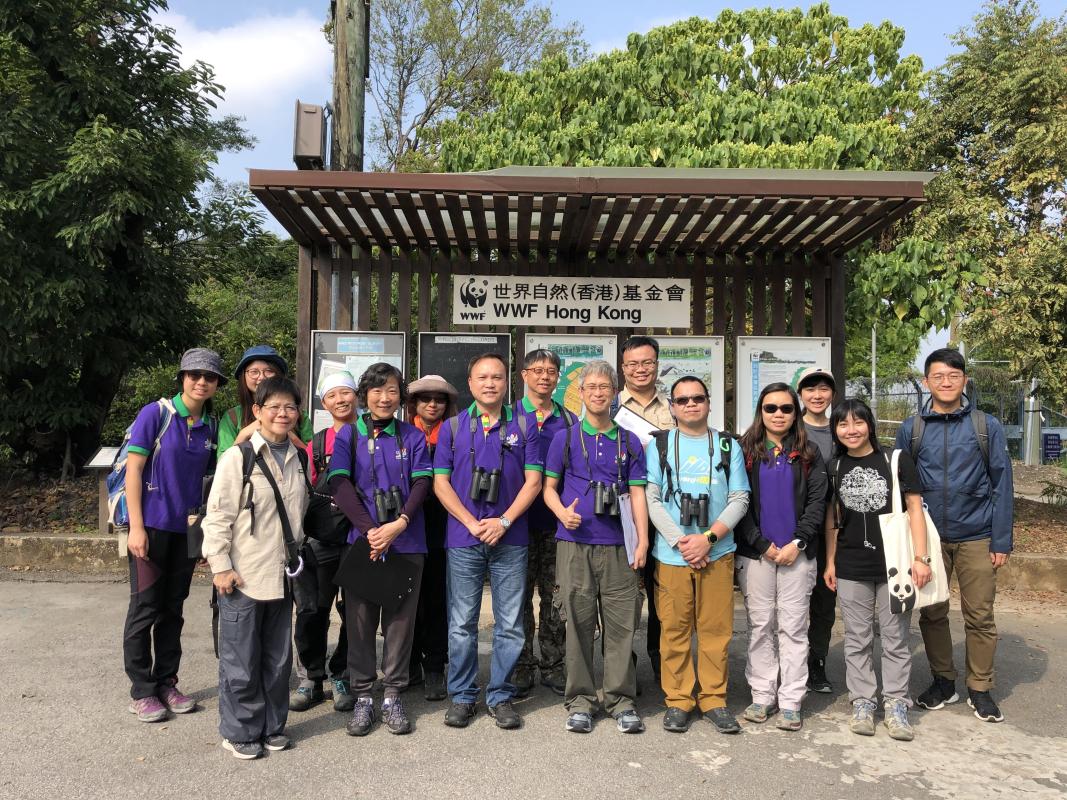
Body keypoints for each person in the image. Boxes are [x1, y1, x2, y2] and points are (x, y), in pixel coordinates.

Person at [895, 348, 1014, 723]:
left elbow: (1002, 484)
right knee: (931, 613)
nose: (945, 382)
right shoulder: (912, 428)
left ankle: (980, 687)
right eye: (938, 376)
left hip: (977, 534)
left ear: (964, 380)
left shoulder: (985, 426)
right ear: (927, 381)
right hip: (927, 536)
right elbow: (901, 487)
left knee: (980, 615)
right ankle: (943, 681)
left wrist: (1000, 539)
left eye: (953, 376)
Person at [433, 352, 543, 730]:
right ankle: (463, 696)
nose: (490, 383)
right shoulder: (452, 428)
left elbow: (534, 482)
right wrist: (471, 521)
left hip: (511, 538)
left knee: (509, 623)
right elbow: (441, 483)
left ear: (507, 381)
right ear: (470, 383)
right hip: (464, 538)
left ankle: (500, 695)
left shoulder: (526, 427)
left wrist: (504, 520)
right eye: (483, 377)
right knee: (461, 622)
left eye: (497, 377)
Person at [202, 376, 310, 759]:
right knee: (241, 661)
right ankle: (239, 731)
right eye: (274, 407)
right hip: (243, 576)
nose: (283, 413)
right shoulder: (239, 457)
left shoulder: (300, 457)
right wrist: (220, 566)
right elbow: (217, 517)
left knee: (278, 661)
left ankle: (271, 726)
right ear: (257, 412)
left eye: (290, 407)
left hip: (283, 576)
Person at [543, 361, 649, 734]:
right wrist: (561, 513)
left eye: (605, 386)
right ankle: (581, 701)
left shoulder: (628, 440)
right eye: (591, 387)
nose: (599, 392)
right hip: (575, 544)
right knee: (579, 625)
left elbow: (637, 493)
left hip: (619, 546)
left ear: (613, 392)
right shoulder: (566, 439)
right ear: (581, 393)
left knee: (621, 626)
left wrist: (643, 539)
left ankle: (621, 699)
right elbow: (547, 489)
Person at [327, 363, 433, 736]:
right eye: (376, 391)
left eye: (391, 390)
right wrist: (371, 530)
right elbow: (338, 483)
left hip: (407, 541)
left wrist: (400, 523)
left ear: (400, 396)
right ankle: (362, 697)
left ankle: (392, 694)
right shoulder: (349, 436)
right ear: (364, 396)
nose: (384, 397)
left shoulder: (413, 436)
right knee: (359, 622)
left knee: (401, 623)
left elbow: (422, 483)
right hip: (364, 543)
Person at [123, 348, 224, 723]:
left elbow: (206, 486)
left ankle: (166, 680)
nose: (201, 382)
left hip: (187, 532)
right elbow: (134, 470)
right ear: (182, 377)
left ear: (216, 385)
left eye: (209, 377)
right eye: (194, 375)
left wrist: (202, 538)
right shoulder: (157, 414)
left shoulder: (211, 427)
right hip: (149, 528)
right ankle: (141, 690)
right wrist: (135, 527)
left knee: (173, 610)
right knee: (145, 608)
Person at [644, 376, 749, 735]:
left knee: (715, 630)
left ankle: (714, 699)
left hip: (717, 552)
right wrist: (680, 542)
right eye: (683, 400)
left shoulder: (726, 446)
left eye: (698, 398)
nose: (691, 405)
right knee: (673, 629)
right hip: (673, 555)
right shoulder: (659, 446)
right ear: (671, 407)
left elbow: (740, 499)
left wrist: (707, 538)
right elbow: (652, 500)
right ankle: (678, 700)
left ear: (708, 403)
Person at [825, 399, 931, 741]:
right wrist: (830, 561)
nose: (851, 430)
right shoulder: (834, 465)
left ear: (869, 424)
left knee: (896, 637)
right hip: (851, 563)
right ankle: (863, 702)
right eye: (843, 424)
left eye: (857, 422)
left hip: (896, 565)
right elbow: (833, 519)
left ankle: (897, 703)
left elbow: (915, 508)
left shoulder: (895, 459)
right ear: (836, 430)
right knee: (857, 638)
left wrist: (921, 558)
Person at [736, 383, 828, 731]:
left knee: (793, 628)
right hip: (756, 554)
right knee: (760, 626)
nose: (778, 414)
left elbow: (818, 503)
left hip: (797, 555)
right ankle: (762, 695)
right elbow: (738, 501)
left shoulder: (809, 452)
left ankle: (791, 700)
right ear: (760, 411)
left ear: (796, 413)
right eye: (771, 408)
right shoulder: (745, 450)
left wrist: (798, 543)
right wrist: (761, 544)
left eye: (786, 408)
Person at [289, 371, 356, 714]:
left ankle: (343, 674)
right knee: (312, 611)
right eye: (333, 395)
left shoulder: (370, 434)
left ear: (357, 395)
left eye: (347, 392)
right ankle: (311, 678)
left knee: (355, 611)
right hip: (323, 538)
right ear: (323, 402)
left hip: (360, 537)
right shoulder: (315, 443)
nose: (341, 399)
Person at [513, 349, 576, 697]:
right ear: (524, 375)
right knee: (518, 598)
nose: (544, 377)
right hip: (516, 526)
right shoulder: (509, 417)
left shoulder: (568, 421)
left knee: (555, 596)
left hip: (557, 525)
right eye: (537, 370)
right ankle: (521, 665)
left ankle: (553, 664)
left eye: (551, 371)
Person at [615, 335, 675, 683]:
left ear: (657, 364)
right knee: (623, 592)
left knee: (661, 591)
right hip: (619, 511)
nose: (640, 369)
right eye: (633, 364)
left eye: (647, 362)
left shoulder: (673, 408)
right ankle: (624, 663)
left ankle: (659, 657)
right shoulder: (606, 405)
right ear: (623, 368)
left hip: (665, 512)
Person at [405, 374, 459, 702]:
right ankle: (407, 662)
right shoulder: (401, 433)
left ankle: (435, 666)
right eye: (425, 398)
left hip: (442, 527)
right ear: (414, 402)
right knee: (406, 597)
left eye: (438, 399)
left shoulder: (454, 434)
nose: (432, 404)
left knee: (437, 597)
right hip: (406, 526)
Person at [797, 367, 838, 694]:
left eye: (823, 388)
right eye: (810, 389)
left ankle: (817, 660)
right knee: (793, 599)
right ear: (801, 395)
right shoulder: (790, 427)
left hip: (834, 526)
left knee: (824, 600)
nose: (817, 394)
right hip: (795, 526)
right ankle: (791, 662)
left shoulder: (841, 430)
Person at [218, 345, 313, 454]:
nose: (261, 377)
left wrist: (288, 434)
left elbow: (312, 459)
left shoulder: (298, 416)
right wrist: (244, 433)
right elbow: (223, 464)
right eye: (254, 372)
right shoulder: (233, 417)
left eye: (269, 371)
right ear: (243, 377)